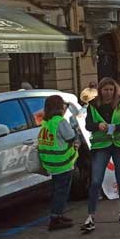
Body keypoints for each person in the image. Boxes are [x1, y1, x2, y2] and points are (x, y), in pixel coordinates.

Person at [81, 78, 120, 232]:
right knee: (96, 180)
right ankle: (90, 216)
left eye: (111, 90)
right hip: (101, 145)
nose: (108, 93)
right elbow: (88, 125)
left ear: (115, 90)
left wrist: (115, 127)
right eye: (105, 90)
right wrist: (98, 125)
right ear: (100, 90)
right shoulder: (93, 105)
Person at [38, 95, 79, 231]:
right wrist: (75, 129)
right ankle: (55, 218)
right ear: (60, 107)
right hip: (62, 162)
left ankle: (58, 215)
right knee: (62, 191)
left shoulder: (46, 122)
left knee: (57, 190)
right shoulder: (60, 121)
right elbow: (70, 137)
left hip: (51, 163)